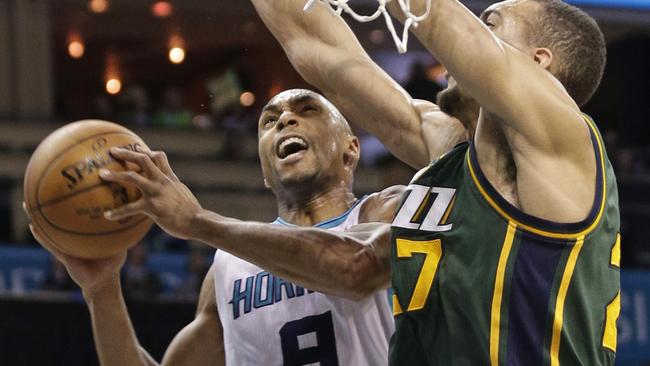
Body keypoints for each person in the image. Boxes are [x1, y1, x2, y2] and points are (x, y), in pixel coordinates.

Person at [256, 0, 620, 365]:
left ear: (538, 63)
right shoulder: (448, 148)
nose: (467, 42)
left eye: (489, 26)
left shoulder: (566, 143)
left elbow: (442, 19)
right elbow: (318, 47)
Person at [26, 88, 465, 365]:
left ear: (350, 151)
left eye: (305, 109)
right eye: (269, 120)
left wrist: (198, 222)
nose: (284, 120)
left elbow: (352, 267)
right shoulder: (228, 269)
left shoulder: (393, 210)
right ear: (263, 170)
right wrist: (102, 290)